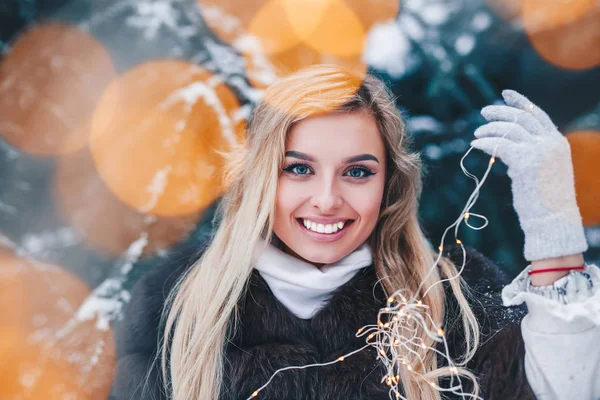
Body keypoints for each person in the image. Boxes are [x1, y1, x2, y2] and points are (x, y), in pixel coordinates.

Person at [110, 64, 599, 400]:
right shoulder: (173, 307)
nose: (327, 198)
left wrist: (552, 226)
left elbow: (562, 388)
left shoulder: (456, 296)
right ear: (260, 175)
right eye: (298, 169)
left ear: (389, 183)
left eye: (358, 172)